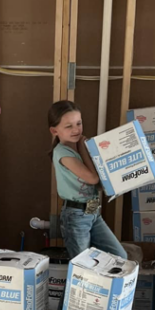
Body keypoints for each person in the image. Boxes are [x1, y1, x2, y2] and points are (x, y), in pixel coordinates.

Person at [48, 100, 125, 260]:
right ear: (54, 131)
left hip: (93, 211)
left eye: (78, 123)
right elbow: (93, 177)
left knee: (119, 256)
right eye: (68, 126)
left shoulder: (80, 147)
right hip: (76, 215)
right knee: (82, 266)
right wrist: (84, 148)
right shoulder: (62, 153)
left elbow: (99, 182)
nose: (76, 129)